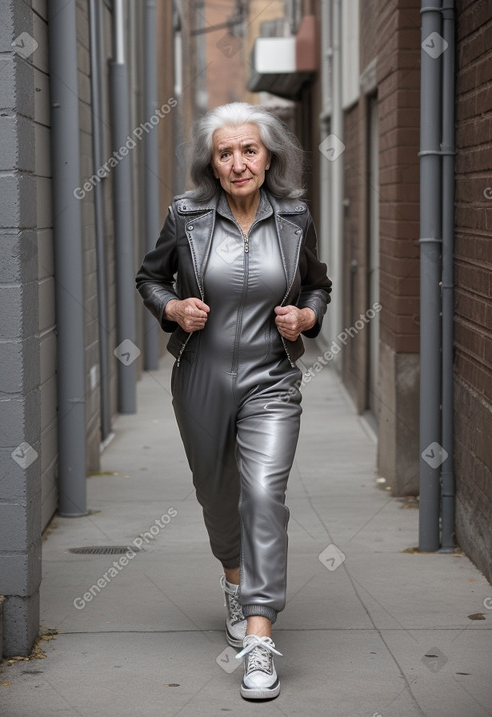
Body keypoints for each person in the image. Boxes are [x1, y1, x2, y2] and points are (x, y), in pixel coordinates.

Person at [136, 102, 331, 700]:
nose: (239, 161)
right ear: (213, 165)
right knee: (220, 499)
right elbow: (150, 277)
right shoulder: (186, 216)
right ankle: (234, 575)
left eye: (250, 149)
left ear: (269, 156)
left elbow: (318, 284)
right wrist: (172, 309)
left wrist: (308, 315)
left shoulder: (295, 217)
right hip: (201, 378)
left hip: (272, 379)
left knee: (265, 496)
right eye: (226, 152)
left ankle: (260, 637)